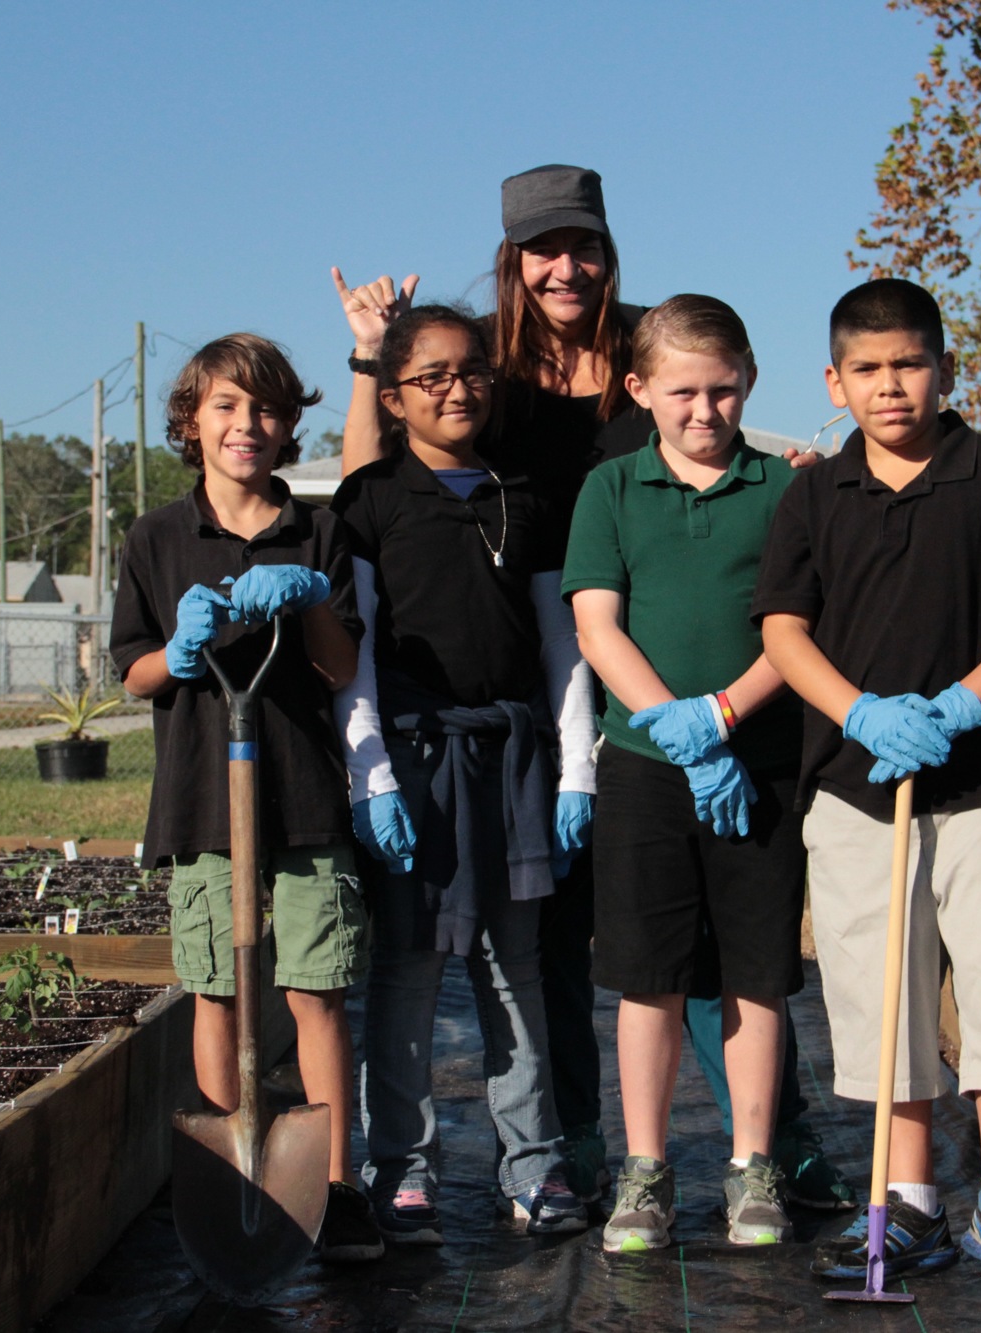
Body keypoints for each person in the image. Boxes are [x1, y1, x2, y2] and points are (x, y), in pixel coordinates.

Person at [330, 164, 853, 1215]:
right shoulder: (480, 368)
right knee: (561, 949)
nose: (566, 267)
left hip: (684, 700)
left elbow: (712, 451)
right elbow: (370, 491)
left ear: (609, 257)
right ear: (512, 262)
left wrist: (789, 472)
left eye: (585, 247)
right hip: (554, 701)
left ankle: (773, 1144)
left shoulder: (646, 356)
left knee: (724, 945)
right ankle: (574, 1143)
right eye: (543, 249)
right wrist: (364, 360)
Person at [753, 279, 981, 1292]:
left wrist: (955, 706)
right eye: (866, 369)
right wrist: (857, 710)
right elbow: (780, 628)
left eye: (907, 364)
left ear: (944, 369)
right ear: (834, 381)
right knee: (880, 995)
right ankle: (905, 1205)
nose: (889, 385)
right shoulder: (813, 494)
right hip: (857, 787)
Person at [109, 333, 383, 1263]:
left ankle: (338, 1184)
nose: (247, 426)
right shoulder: (154, 537)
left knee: (317, 992)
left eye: (265, 408)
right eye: (226, 406)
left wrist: (305, 594)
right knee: (216, 992)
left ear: (289, 422)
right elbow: (132, 673)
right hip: (200, 797)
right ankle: (237, 1169)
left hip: (304, 793)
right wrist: (175, 653)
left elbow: (342, 665)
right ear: (191, 421)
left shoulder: (320, 532)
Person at [331, 303, 596, 1243]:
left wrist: (577, 771)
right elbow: (350, 653)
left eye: (474, 371)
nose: (458, 389)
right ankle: (400, 1167)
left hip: (514, 762)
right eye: (433, 375)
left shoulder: (525, 496)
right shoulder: (366, 504)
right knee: (406, 973)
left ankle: (535, 1168)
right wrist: (371, 772)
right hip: (414, 761)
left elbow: (564, 642)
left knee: (514, 968)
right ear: (394, 394)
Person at [564, 295, 808, 1251]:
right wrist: (677, 727)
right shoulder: (613, 489)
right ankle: (647, 1170)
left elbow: (796, 628)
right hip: (645, 768)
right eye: (683, 393)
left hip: (759, 763)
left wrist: (725, 715)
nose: (706, 412)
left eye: (724, 390)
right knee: (648, 975)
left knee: (754, 970)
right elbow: (597, 623)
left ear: (749, 379)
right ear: (639, 391)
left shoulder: (786, 491)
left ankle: (752, 1166)